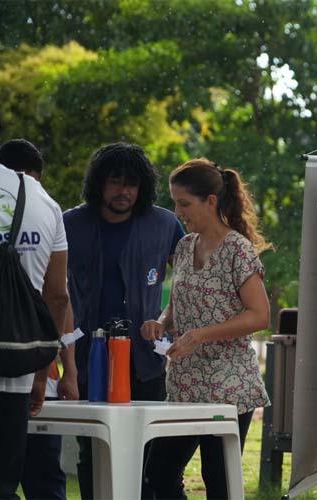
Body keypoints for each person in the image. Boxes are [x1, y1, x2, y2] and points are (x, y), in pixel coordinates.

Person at [140, 158, 271, 499]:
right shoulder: (184, 247)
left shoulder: (236, 250)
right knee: (158, 475)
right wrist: (162, 321)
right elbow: (182, 299)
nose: (178, 211)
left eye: (184, 203)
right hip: (184, 385)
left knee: (220, 484)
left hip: (228, 387)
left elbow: (259, 316)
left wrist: (200, 335)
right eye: (175, 202)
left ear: (210, 201)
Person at [63, 142, 185, 499]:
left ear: (142, 186)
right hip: (88, 357)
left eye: (131, 183)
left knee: (148, 454)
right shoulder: (70, 223)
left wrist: (168, 319)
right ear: (99, 184)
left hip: (145, 359)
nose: (124, 191)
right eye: (115, 182)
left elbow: (192, 279)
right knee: (92, 450)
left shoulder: (163, 223)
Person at [0, 96, 70, 500]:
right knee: (0, 485)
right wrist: (41, 374)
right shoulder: (40, 198)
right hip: (17, 366)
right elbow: (57, 297)